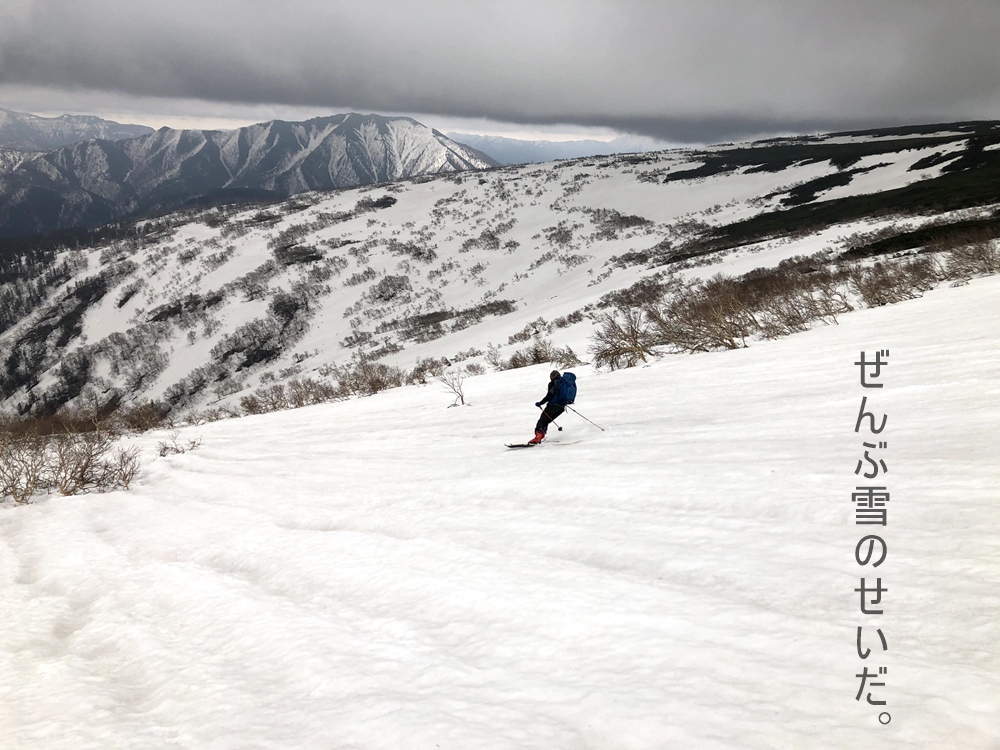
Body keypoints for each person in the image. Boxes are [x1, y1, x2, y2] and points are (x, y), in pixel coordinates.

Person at [528, 370, 567, 444]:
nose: (550, 378)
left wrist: (540, 403)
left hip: (553, 406)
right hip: (561, 407)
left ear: (553, 376)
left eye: (551, 376)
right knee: (546, 421)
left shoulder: (553, 383)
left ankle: (538, 438)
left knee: (542, 421)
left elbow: (549, 395)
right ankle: (541, 436)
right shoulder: (564, 383)